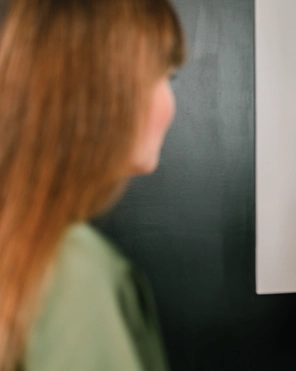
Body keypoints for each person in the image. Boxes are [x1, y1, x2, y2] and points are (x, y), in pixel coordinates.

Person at [0, 0, 185, 370]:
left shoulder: (27, 247)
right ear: (104, 88)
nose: (170, 103)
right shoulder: (75, 274)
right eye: (162, 76)